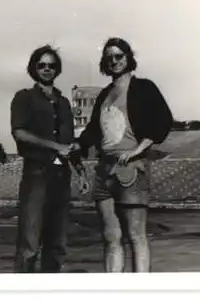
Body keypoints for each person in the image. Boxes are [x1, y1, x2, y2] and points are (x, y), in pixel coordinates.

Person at [72, 37, 173, 272]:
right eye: (109, 58)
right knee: (111, 238)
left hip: (131, 169)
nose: (114, 61)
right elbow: (93, 131)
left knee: (136, 236)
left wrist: (138, 150)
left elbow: (162, 121)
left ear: (128, 57)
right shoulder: (104, 94)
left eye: (119, 56)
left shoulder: (144, 88)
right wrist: (79, 145)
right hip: (104, 171)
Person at [10, 44, 85, 273]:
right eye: (41, 65)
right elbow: (19, 132)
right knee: (30, 245)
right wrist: (55, 146)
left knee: (57, 245)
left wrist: (81, 171)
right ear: (34, 68)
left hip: (61, 177)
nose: (46, 69)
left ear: (57, 69)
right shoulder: (24, 98)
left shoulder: (63, 103)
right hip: (37, 175)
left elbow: (70, 142)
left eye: (51, 65)